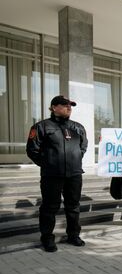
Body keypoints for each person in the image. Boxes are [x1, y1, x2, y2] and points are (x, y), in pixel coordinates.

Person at [26, 95, 88, 252]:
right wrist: (48, 163)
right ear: (54, 107)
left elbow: (83, 147)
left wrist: (74, 161)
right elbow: (32, 150)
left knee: (73, 206)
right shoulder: (41, 127)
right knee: (49, 207)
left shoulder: (78, 127)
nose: (69, 108)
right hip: (52, 175)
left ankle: (73, 235)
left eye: (70, 106)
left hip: (74, 174)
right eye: (65, 105)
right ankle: (47, 238)